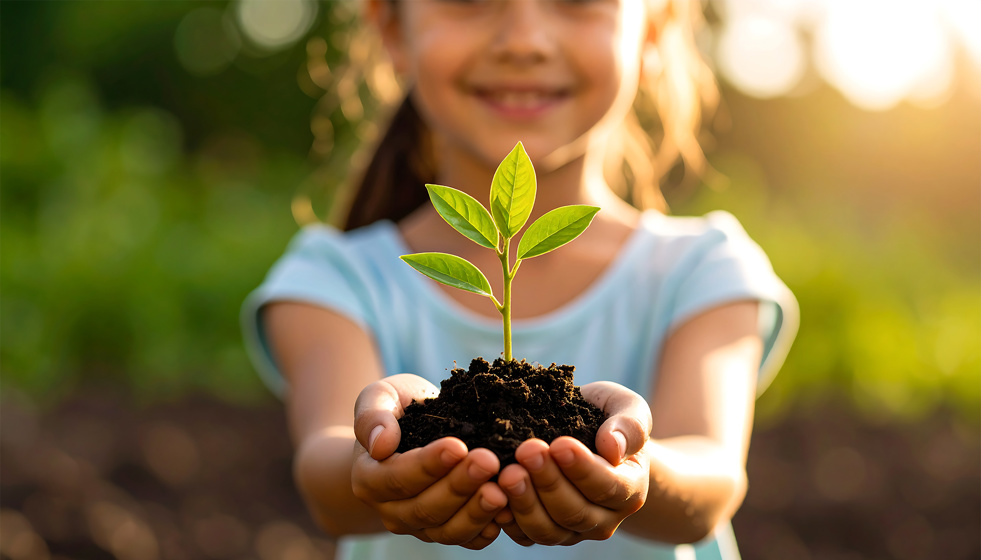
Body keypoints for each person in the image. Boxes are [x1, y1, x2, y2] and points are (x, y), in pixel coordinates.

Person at [241, 1, 799, 559]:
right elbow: (325, 469)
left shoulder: (702, 268)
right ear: (393, 31)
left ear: (652, 31)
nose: (524, 41)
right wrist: (385, 448)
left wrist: (638, 466)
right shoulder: (336, 277)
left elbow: (714, 475)